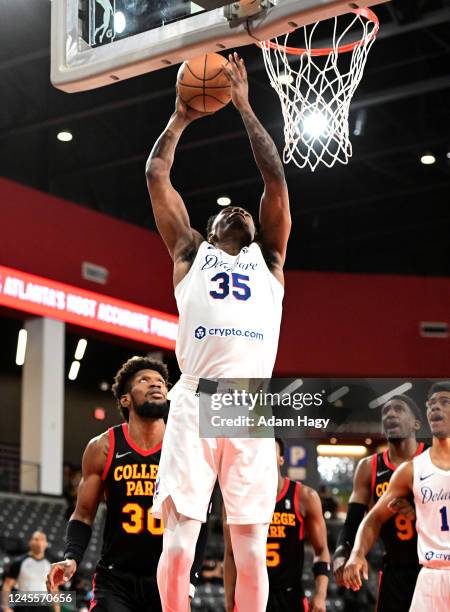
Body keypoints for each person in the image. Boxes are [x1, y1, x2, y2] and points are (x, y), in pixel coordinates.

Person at [146, 51, 291, 612]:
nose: (241, 216)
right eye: (228, 215)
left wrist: (248, 107)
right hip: (196, 395)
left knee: (252, 550)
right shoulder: (189, 254)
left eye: (246, 216)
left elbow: (274, 180)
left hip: (248, 405)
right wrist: (180, 118)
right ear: (208, 229)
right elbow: (157, 174)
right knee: (180, 546)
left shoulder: (270, 259)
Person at [46, 356, 207, 612]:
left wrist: (189, 582)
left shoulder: (186, 447)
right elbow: (84, 514)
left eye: (161, 382)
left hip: (166, 577)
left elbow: (200, 521)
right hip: (116, 578)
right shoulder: (103, 447)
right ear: (125, 399)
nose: (156, 385)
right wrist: (71, 557)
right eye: (144, 380)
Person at [343, 382, 450, 610]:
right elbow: (371, 518)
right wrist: (356, 553)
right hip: (427, 574)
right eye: (431, 404)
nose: (435, 409)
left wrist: (417, 514)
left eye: (445, 402)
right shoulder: (411, 470)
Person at [333, 394, 426, 612]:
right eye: (385, 412)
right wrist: (341, 553)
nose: (390, 414)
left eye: (399, 409)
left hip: (430, 568)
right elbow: (353, 521)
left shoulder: (432, 458)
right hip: (393, 570)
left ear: (416, 424)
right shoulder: (369, 467)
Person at [223, 438, 330, 612]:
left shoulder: (304, 497)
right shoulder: (237, 497)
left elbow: (321, 550)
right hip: (250, 595)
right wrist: (229, 600)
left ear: (281, 459)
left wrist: (320, 594)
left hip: (289, 596)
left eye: (269, 451)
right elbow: (230, 554)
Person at [2, 531, 59, 612]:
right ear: (30, 542)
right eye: (36, 539)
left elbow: (54, 589)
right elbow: (7, 585)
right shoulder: (19, 562)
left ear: (46, 543)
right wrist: (5, 607)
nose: (39, 542)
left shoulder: (51, 565)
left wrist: (57, 610)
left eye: (42, 539)